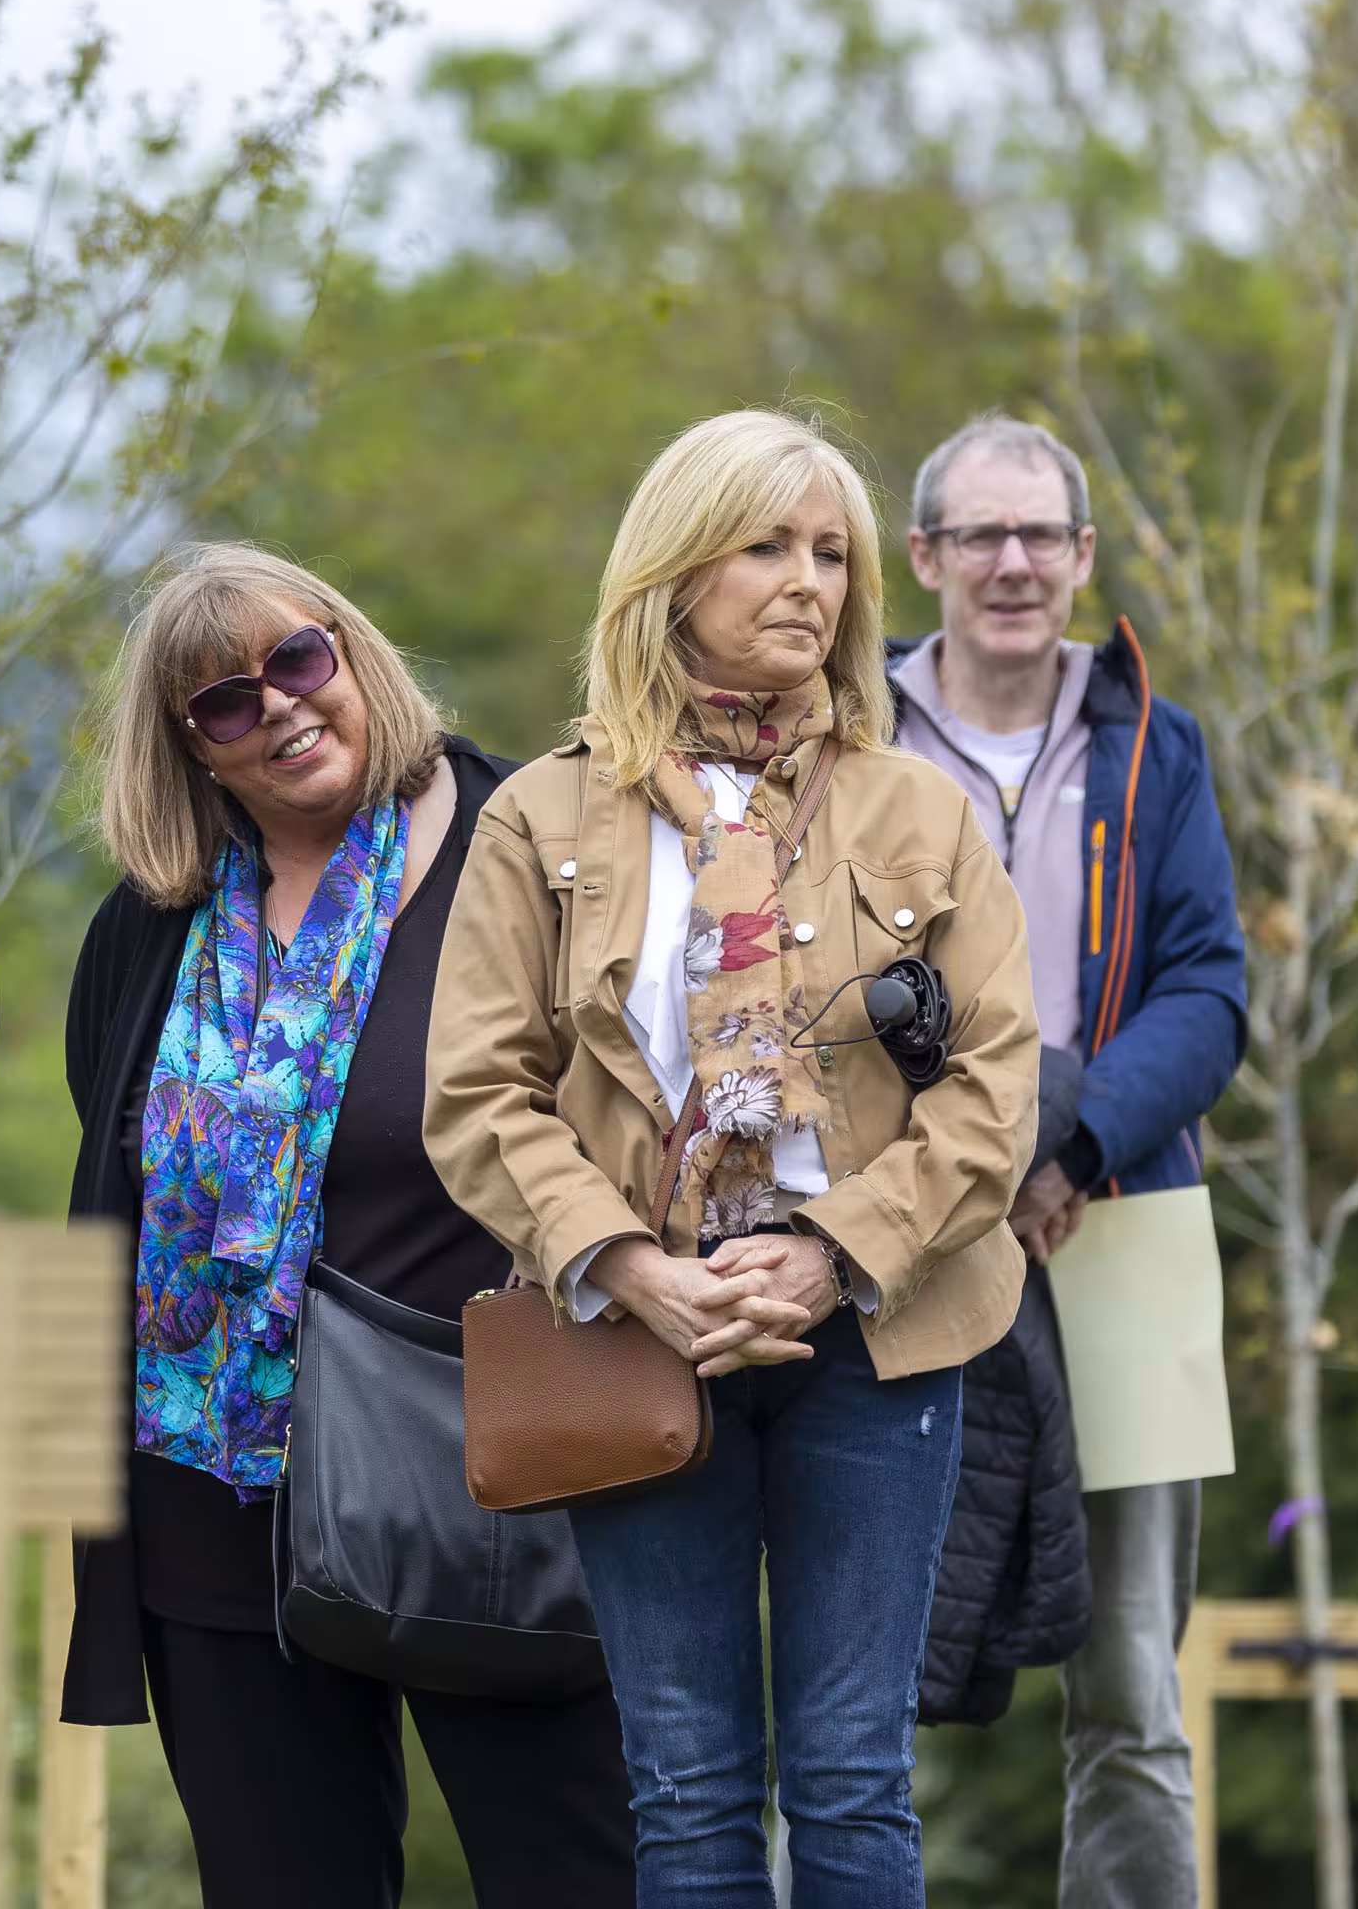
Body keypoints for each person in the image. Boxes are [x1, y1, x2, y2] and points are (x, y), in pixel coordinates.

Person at [426, 408, 1037, 1907]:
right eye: (766, 545)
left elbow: (994, 1090)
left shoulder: (922, 812)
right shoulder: (542, 814)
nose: (809, 583)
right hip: (640, 1341)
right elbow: (478, 1092)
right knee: (688, 1794)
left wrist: (833, 1258)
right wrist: (634, 1268)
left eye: (830, 554)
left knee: (850, 1781)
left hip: (879, 1337)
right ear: (676, 569)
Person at [50, 543, 633, 1909]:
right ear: (189, 750)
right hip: (217, 1505)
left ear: (352, 652)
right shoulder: (151, 927)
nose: (281, 708)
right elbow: (115, 1151)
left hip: (485, 1483)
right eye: (226, 703)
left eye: (296, 662)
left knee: (591, 1882)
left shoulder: (524, 844)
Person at [888, 413, 1248, 1901]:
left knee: (1133, 1699)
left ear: (1084, 556)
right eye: (982, 535)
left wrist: (1075, 1145)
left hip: (1128, 1234)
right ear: (926, 560)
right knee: (857, 1685)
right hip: (893, 1237)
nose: (1016, 564)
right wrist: (964, 1168)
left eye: (1043, 535)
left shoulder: (1158, 744)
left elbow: (1211, 987)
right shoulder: (854, 738)